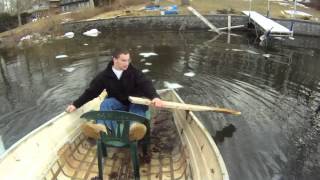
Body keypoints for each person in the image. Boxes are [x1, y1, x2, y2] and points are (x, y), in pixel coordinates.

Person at [66, 48, 163, 140]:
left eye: (128, 60)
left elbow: (146, 84)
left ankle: (134, 129)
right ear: (115, 60)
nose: (127, 63)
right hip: (118, 104)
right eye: (123, 60)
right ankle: (102, 128)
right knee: (106, 103)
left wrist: (155, 97)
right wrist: (76, 104)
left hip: (134, 103)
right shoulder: (104, 76)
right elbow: (91, 92)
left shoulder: (135, 73)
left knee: (138, 104)